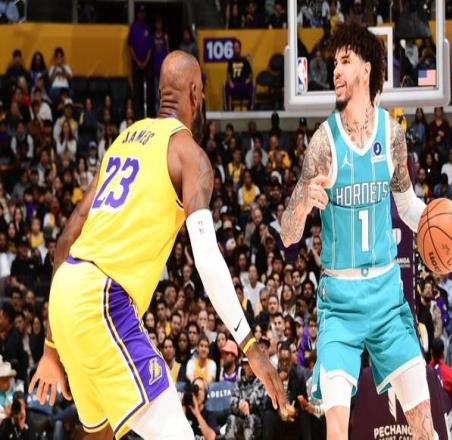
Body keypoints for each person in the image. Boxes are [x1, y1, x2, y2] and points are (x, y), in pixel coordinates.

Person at [28, 51, 285, 440]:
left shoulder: (122, 142)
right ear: (196, 92)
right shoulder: (189, 155)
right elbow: (206, 259)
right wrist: (250, 345)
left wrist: (51, 347)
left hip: (66, 295)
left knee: (100, 434)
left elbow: (64, 243)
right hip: (102, 298)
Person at [280, 23, 437, 439]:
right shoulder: (323, 143)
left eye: (345, 61)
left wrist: (439, 227)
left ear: (366, 70)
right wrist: (303, 202)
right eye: (334, 63)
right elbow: (287, 234)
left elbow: (407, 205)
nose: (335, 70)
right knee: (336, 429)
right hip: (340, 304)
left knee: (425, 425)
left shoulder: (393, 135)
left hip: (386, 297)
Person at [226, 356, 265, 440]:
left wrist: (246, 403)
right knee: (231, 418)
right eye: (247, 364)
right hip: (240, 417)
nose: (249, 367)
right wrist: (239, 404)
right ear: (243, 366)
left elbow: (256, 399)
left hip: (255, 419)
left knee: (249, 419)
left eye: (252, 364)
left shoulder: (260, 382)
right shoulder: (238, 383)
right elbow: (232, 401)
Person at [128, 4, 153, 119]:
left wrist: (145, 61)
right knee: (137, 91)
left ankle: (148, 115)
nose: (141, 14)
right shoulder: (133, 28)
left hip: (146, 65)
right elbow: (131, 47)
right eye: (140, 12)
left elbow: (150, 48)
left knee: (147, 91)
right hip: (136, 64)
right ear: (137, 14)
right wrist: (137, 61)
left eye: (143, 12)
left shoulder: (147, 28)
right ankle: (138, 116)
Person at [429, 338, 452, 410]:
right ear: (443, 353)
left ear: (431, 352)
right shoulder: (450, 373)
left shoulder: (425, 373)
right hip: (447, 412)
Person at [224, 40, 253, 110]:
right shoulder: (231, 61)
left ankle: (251, 108)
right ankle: (227, 109)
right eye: (234, 48)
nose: (235, 49)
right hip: (234, 83)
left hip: (243, 83)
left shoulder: (245, 60)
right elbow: (228, 74)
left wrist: (248, 79)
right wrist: (230, 82)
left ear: (240, 48)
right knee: (226, 86)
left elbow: (250, 73)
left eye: (237, 47)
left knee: (251, 85)